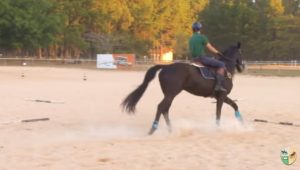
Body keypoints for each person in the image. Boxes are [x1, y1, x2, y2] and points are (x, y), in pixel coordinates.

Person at [189, 22, 227, 92]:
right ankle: (218, 85)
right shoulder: (202, 37)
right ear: (200, 29)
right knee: (222, 64)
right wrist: (218, 53)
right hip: (201, 58)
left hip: (193, 59)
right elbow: (210, 47)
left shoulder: (191, 38)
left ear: (193, 29)